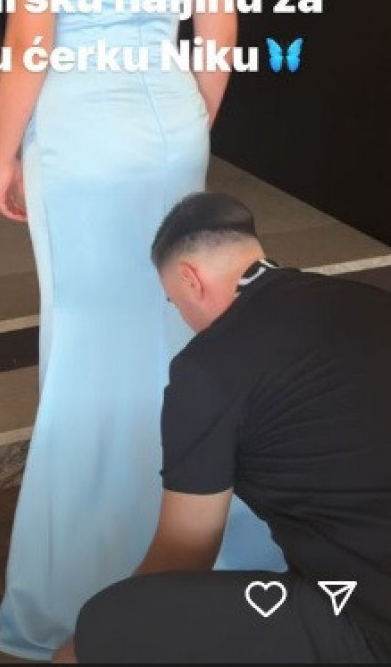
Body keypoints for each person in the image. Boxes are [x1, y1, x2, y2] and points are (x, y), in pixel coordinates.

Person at [0, 0, 283, 662]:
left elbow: (30, 40)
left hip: (76, 133)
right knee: (175, 334)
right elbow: (219, 33)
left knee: (83, 341)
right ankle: (195, 554)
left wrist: (3, 152)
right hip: (168, 129)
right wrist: (184, 125)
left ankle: (80, 583)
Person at [66, 192, 391, 664]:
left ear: (189, 279)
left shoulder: (206, 369)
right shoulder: (366, 299)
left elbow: (184, 555)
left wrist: (123, 624)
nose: (182, 317)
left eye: (173, 302)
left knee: (101, 628)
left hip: (368, 617)